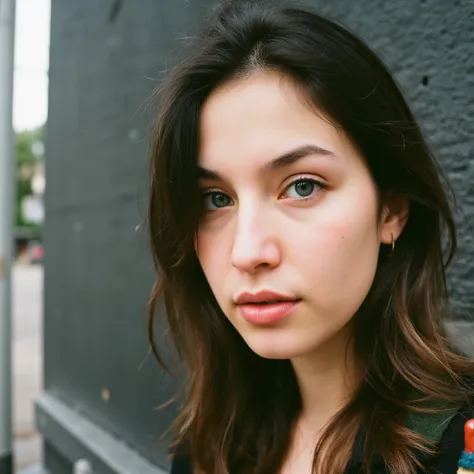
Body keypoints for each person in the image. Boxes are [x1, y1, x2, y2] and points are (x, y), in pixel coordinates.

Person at [146, 1, 474, 472]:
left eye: (303, 186)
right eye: (215, 200)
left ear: (392, 210)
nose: (248, 252)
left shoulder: (455, 451)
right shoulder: (208, 445)